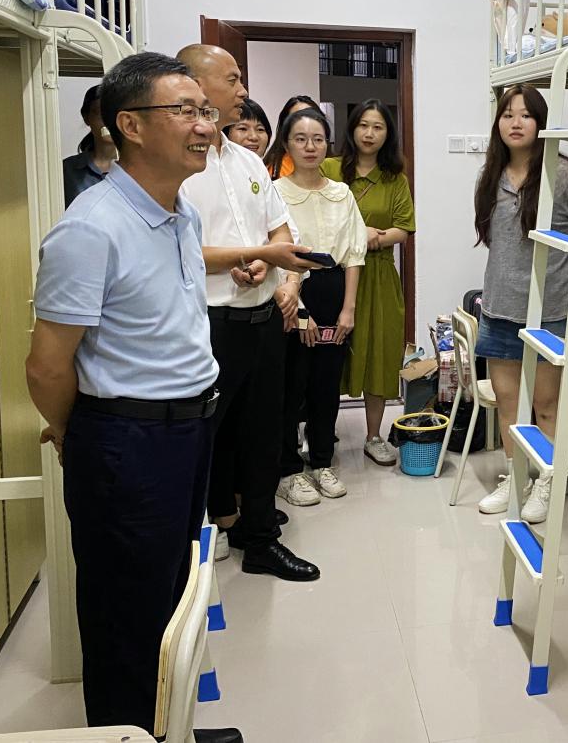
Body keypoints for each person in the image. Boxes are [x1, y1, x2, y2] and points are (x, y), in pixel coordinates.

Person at [26, 52, 238, 741]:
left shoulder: (181, 215)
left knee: (170, 595)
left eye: (205, 111)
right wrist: (76, 434)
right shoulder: (91, 229)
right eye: (185, 111)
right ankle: (126, 732)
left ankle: (167, 730)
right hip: (127, 440)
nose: (204, 125)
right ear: (130, 125)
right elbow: (47, 366)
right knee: (125, 615)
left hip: (187, 430)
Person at [178, 43, 320, 582]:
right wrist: (255, 254)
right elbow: (179, 250)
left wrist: (265, 260)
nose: (243, 90)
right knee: (207, 436)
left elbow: (278, 228)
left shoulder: (245, 160)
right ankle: (208, 530)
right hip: (209, 323)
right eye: (233, 79)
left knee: (263, 434)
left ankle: (259, 538)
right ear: (194, 85)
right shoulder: (178, 164)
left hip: (262, 320)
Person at [472, 85, 568, 523]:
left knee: (547, 404)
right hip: (500, 306)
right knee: (509, 403)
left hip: (555, 309)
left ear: (542, 123)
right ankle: (516, 479)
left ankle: (548, 481)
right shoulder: (491, 175)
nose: (515, 123)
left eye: (526, 115)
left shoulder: (566, 174)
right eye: (507, 115)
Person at [268, 106, 366, 504]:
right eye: (301, 139)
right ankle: (289, 471)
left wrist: (349, 309)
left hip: (334, 289)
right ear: (287, 144)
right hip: (292, 293)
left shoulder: (341, 193)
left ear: (328, 144)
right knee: (292, 387)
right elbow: (277, 255)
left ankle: (322, 461)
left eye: (318, 139)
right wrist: (301, 313)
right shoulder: (275, 192)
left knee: (327, 385)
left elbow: (355, 254)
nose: (310, 147)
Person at [322, 98, 415, 468]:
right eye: (363, 125)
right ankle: (321, 435)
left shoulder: (395, 178)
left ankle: (374, 436)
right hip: (334, 273)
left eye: (378, 127)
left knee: (380, 353)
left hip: (378, 276)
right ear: (352, 128)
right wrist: (361, 234)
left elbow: (403, 229)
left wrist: (375, 238)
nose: (370, 133)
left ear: (387, 134)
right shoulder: (330, 169)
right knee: (330, 355)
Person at [61, 84, 116, 207]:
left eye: (114, 113)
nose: (108, 121)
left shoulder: (140, 168)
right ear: (86, 118)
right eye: (100, 113)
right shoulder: (67, 170)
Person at [272, 95, 323, 177]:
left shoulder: (332, 166)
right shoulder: (276, 170)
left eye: (311, 117)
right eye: (297, 118)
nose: (306, 123)